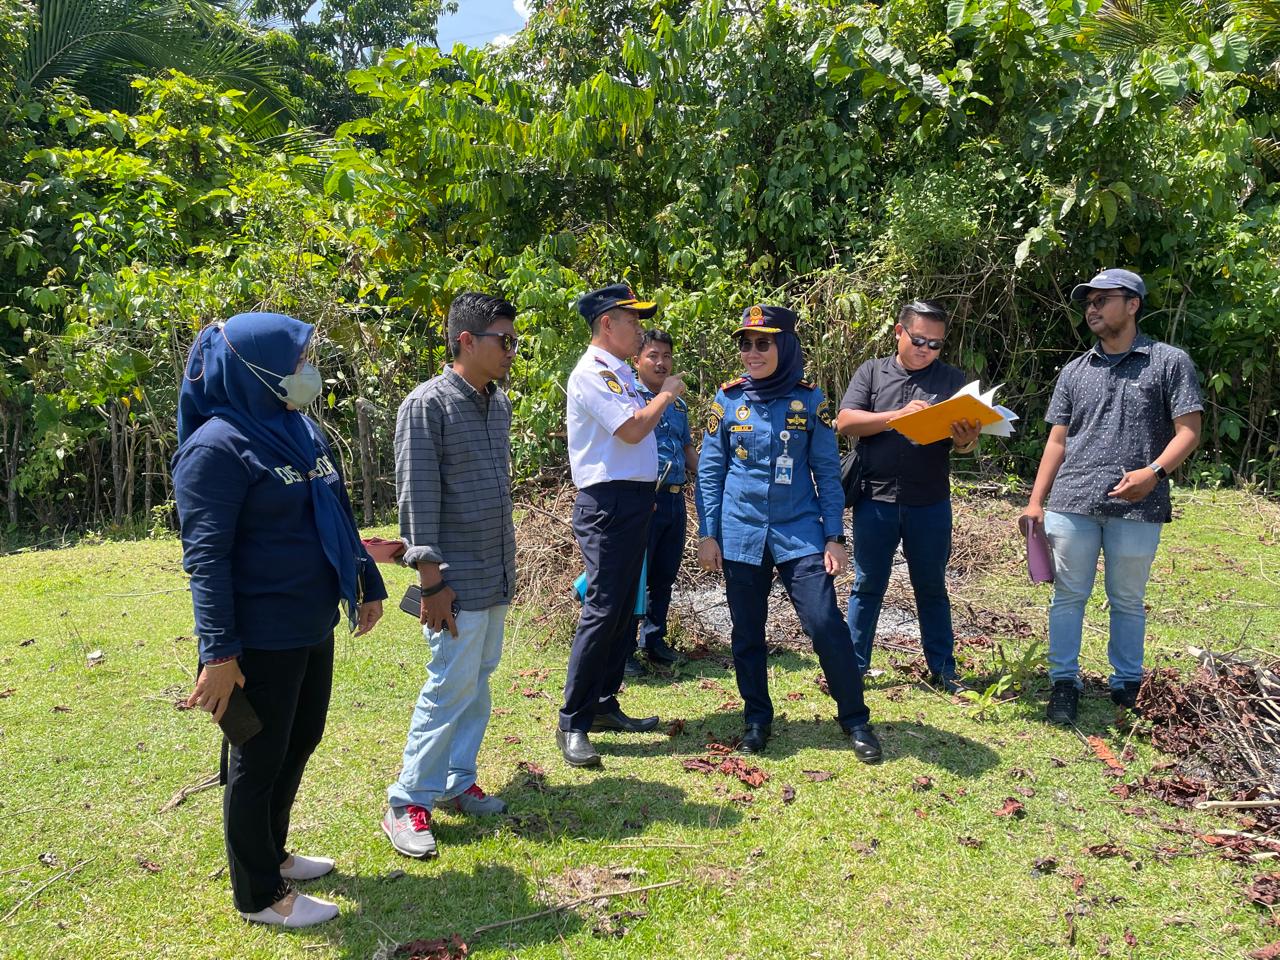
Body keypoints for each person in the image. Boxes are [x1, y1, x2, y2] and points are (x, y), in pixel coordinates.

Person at [173, 312, 386, 929]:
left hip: (311, 620)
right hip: (260, 635)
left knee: (301, 738)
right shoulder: (215, 449)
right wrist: (219, 654)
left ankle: (274, 850)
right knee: (257, 760)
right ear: (258, 369)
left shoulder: (299, 428)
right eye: (297, 360)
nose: (307, 370)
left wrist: (365, 581)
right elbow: (206, 560)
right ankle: (258, 892)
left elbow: (336, 510)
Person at [696, 304, 880, 762]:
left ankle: (855, 719)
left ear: (785, 345)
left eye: (763, 343)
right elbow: (711, 472)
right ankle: (757, 719)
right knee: (747, 632)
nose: (752, 352)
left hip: (799, 530)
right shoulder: (728, 400)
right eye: (746, 344)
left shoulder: (809, 401)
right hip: (740, 531)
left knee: (824, 622)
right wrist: (708, 533)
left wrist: (834, 536)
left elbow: (827, 473)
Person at [1019, 268, 1202, 725]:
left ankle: (1127, 684)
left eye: (1103, 300)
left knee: (1127, 598)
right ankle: (1064, 682)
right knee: (1068, 596)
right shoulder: (1075, 370)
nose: (1092, 309)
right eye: (1088, 302)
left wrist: (1154, 473)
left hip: (1139, 504)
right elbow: (1057, 441)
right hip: (1072, 501)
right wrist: (1036, 501)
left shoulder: (1168, 362)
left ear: (1133, 304)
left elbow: (1189, 431)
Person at [381, 293, 520, 859]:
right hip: (453, 581)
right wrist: (432, 583)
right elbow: (418, 501)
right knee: (448, 686)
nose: (511, 351)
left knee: (477, 682)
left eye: (514, 341)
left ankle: (457, 781)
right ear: (466, 341)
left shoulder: (498, 403)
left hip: (494, 571)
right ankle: (407, 800)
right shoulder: (426, 406)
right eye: (503, 341)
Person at [557, 283, 686, 768]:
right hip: (607, 502)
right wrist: (666, 396)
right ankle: (572, 720)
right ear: (607, 324)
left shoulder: (621, 372)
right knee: (603, 608)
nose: (638, 330)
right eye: (632, 321)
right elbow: (632, 429)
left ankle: (603, 702)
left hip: (634, 501)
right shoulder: (592, 373)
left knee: (624, 608)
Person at [835, 300, 980, 692]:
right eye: (918, 340)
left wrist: (966, 440)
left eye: (935, 344)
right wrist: (896, 417)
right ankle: (853, 668)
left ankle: (944, 670)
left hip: (930, 500)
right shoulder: (872, 371)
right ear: (899, 332)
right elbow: (846, 421)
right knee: (867, 585)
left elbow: (964, 445)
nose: (926, 349)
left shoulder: (952, 380)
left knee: (931, 587)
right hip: (875, 499)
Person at [631, 328, 699, 671]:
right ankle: (623, 648)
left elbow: (686, 449)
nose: (661, 363)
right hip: (645, 498)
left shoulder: (679, 404)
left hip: (674, 498)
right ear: (637, 361)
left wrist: (712, 474)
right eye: (653, 356)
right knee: (634, 577)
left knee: (663, 574)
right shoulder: (631, 399)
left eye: (667, 356)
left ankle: (654, 641)